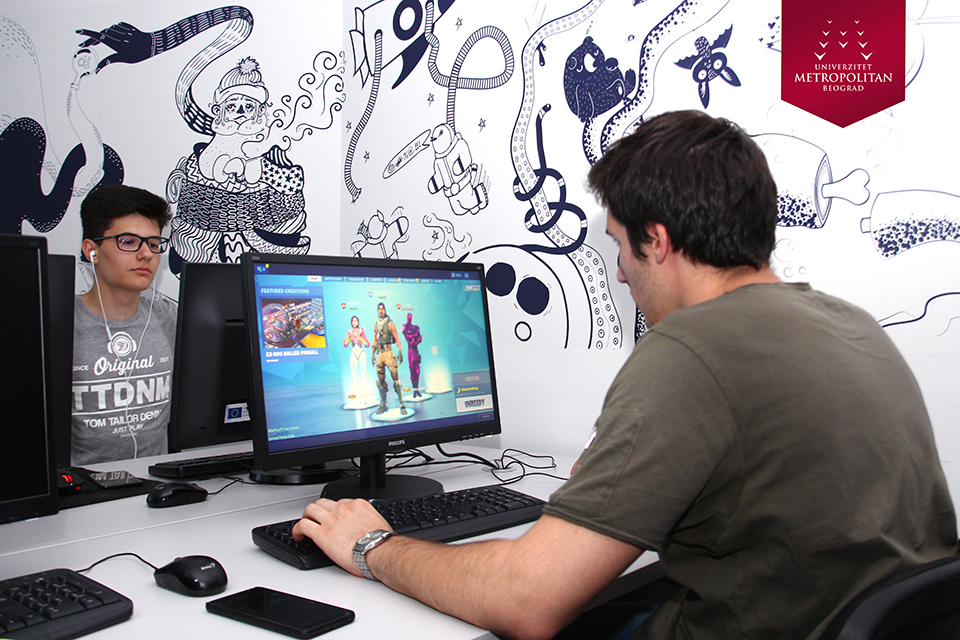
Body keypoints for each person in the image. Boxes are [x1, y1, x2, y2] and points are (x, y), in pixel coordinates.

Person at [290, 111, 957, 640]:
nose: (618, 271)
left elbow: (527, 600)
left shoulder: (691, 348)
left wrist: (372, 544)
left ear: (657, 241)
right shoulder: (851, 324)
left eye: (618, 243)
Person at [72, 184, 177, 465]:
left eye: (153, 243)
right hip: (80, 485)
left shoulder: (169, 318)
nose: (146, 254)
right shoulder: (59, 322)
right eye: (128, 242)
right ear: (91, 251)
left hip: (157, 482)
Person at [372, 302, 406, 415]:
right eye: (379, 309)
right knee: (380, 381)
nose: (381, 310)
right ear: (377, 310)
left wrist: (400, 351)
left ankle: (401, 403)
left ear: (385, 310)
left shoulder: (390, 323)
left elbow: (397, 337)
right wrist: (373, 354)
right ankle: (384, 404)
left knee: (396, 380)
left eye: (383, 308)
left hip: (388, 353)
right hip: (380, 355)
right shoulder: (376, 325)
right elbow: (375, 340)